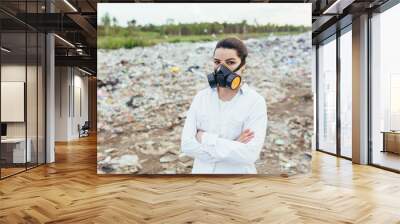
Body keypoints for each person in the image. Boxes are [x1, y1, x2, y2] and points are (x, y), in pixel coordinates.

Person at [181, 37, 267, 174]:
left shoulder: (255, 102)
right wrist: (234, 145)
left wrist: (204, 138)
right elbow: (186, 145)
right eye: (217, 62)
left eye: (230, 62)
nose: (221, 69)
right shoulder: (201, 98)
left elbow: (250, 154)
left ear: (243, 65)